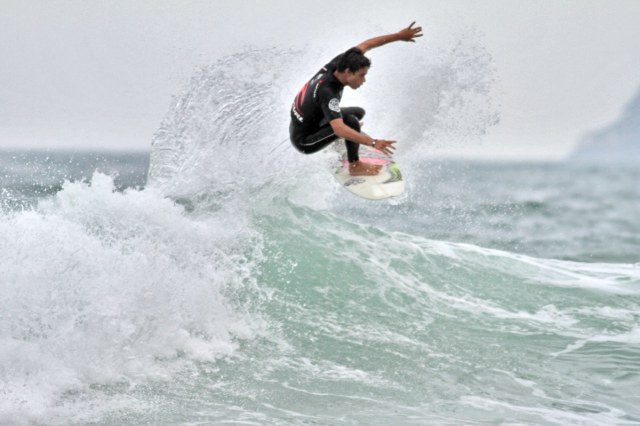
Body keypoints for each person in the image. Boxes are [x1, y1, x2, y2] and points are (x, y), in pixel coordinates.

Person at [289, 22, 423, 176]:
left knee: (358, 112)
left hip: (308, 121)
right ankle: (355, 166)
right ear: (348, 72)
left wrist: (399, 36)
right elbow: (339, 128)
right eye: (361, 75)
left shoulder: (341, 61)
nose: (363, 80)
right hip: (305, 140)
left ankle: (341, 138)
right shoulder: (328, 92)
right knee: (350, 122)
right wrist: (373, 142)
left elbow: (368, 44)